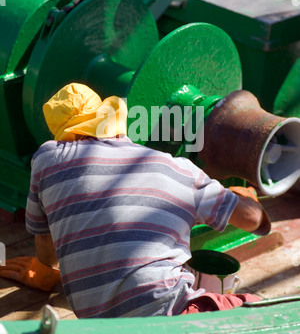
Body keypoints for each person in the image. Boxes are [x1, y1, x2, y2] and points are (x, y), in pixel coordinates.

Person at [0, 83, 270, 317]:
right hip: (172, 310)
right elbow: (251, 219)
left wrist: (45, 272)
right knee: (267, 312)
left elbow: (44, 238)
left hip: (103, 331)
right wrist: (241, 198)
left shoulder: (47, 159)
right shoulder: (177, 169)